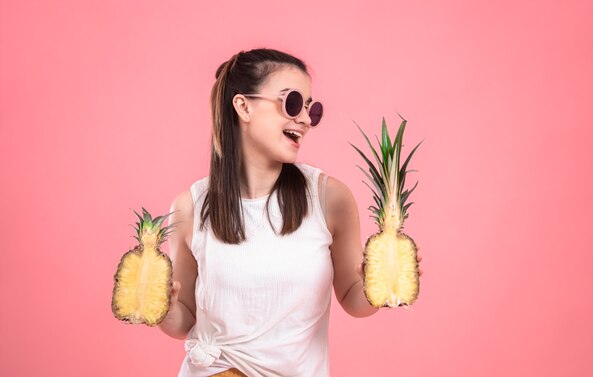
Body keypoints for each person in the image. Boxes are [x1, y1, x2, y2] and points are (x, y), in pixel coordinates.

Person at [158, 48, 423, 377]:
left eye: (313, 110)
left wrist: (380, 286)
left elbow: (353, 299)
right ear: (243, 106)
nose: (305, 120)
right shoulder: (190, 208)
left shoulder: (329, 199)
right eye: (293, 102)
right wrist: (161, 306)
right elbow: (186, 319)